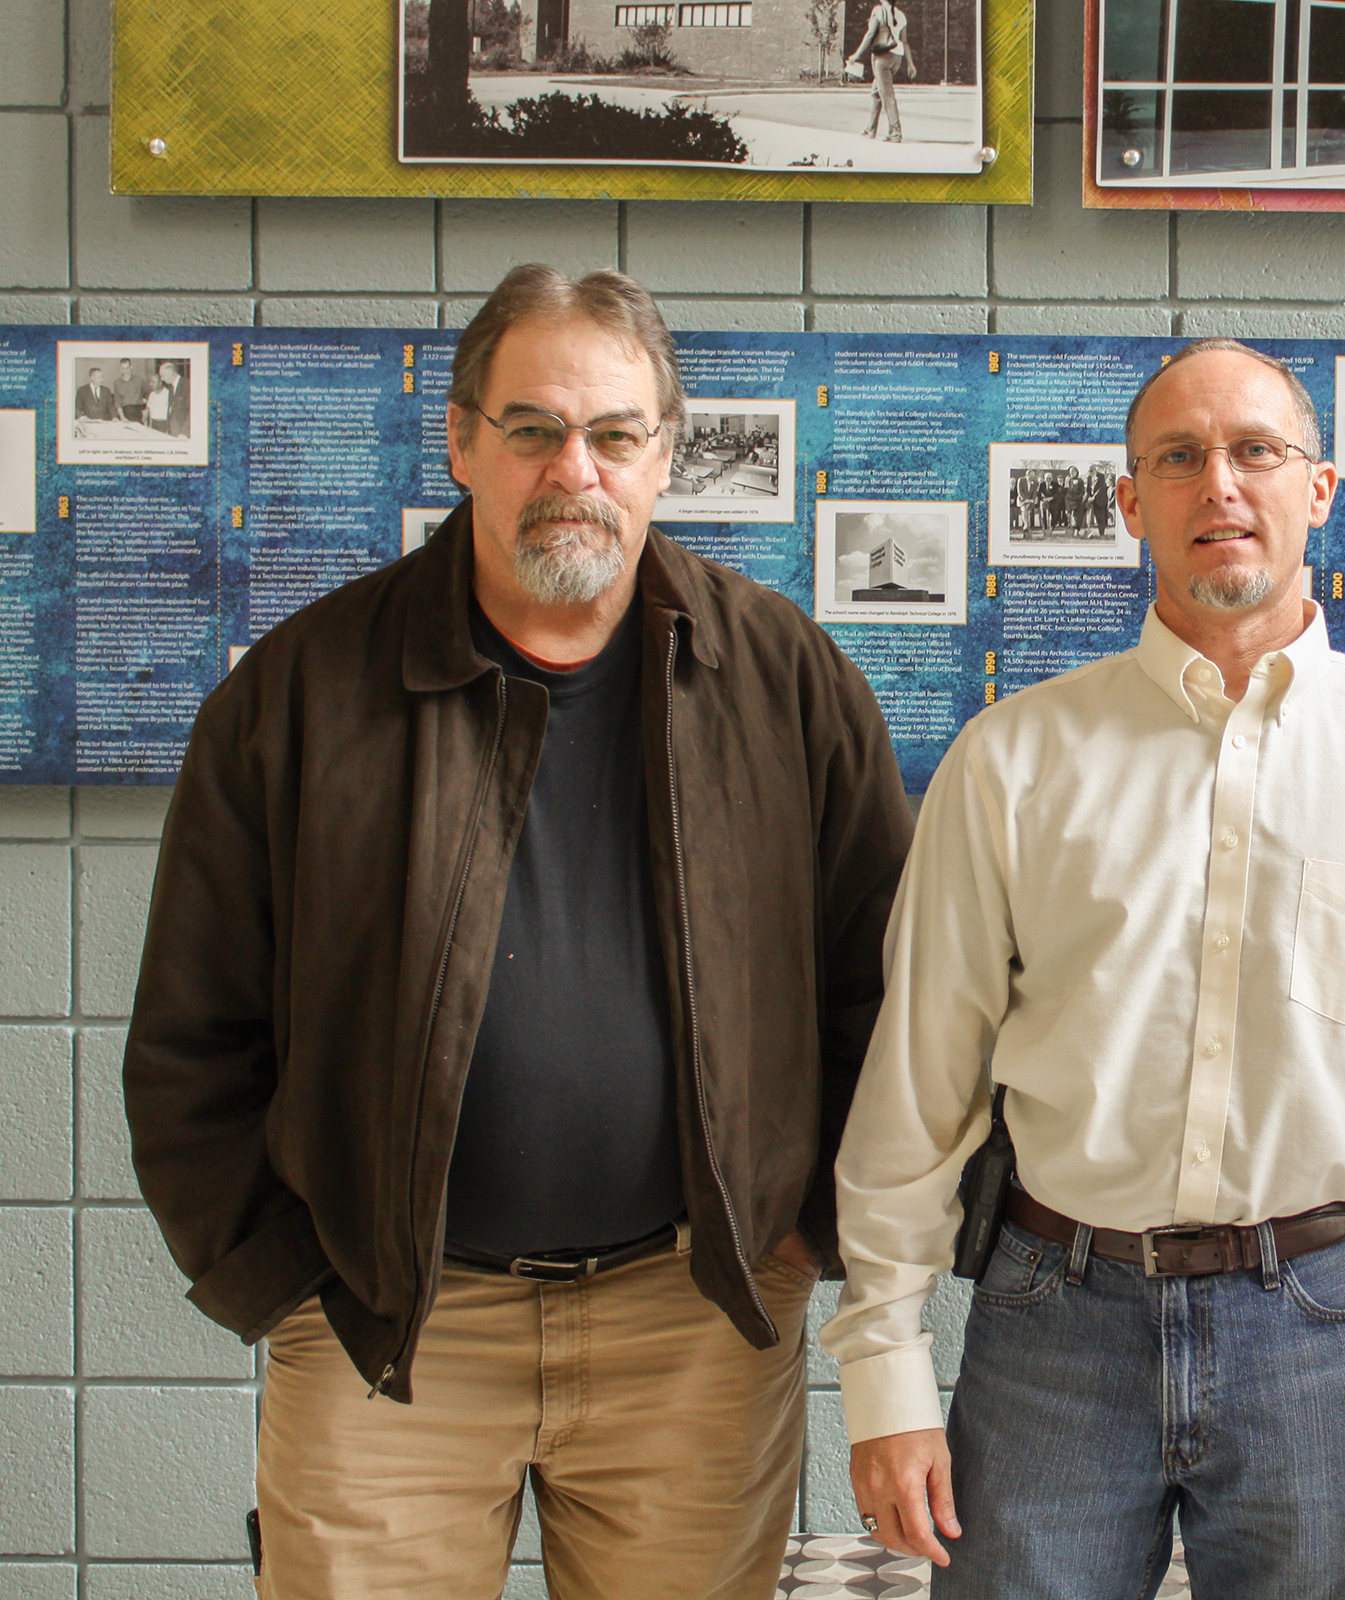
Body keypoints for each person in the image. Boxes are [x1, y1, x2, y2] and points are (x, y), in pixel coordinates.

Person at [124, 264, 913, 1600]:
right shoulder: (302, 696)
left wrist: (805, 1232)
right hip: (394, 1332)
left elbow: (887, 994)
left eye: (613, 434)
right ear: (461, 442)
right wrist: (294, 1269)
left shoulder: (783, 680)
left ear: (667, 452)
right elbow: (195, 1034)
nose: (575, 470)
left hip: (693, 1326)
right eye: (534, 429)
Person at [825, 337, 1345, 1598]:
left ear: (1319, 489)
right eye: (1178, 458)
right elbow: (920, 1081)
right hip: (1055, 1319)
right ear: (1132, 502)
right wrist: (882, 1366)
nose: (1218, 485)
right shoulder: (1012, 761)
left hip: (1328, 1326)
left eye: (1254, 452)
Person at [849, 0, 913, 143]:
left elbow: (870, 34)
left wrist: (856, 55)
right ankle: (870, 129)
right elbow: (905, 42)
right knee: (877, 92)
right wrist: (910, 64)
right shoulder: (901, 15)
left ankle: (895, 133)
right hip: (897, 58)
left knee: (887, 94)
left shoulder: (878, 10)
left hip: (882, 57)